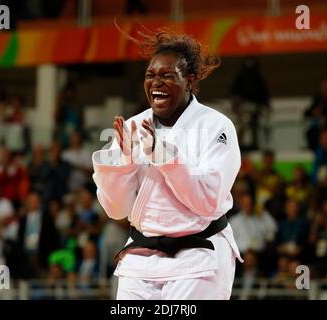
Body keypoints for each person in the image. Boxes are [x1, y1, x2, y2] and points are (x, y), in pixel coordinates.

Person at [92, 29, 242, 300]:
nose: (156, 82)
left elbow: (207, 202)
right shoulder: (132, 127)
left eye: (167, 75)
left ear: (190, 81)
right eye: (151, 75)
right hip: (141, 258)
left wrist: (164, 156)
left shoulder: (216, 126)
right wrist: (122, 164)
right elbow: (116, 210)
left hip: (200, 255)